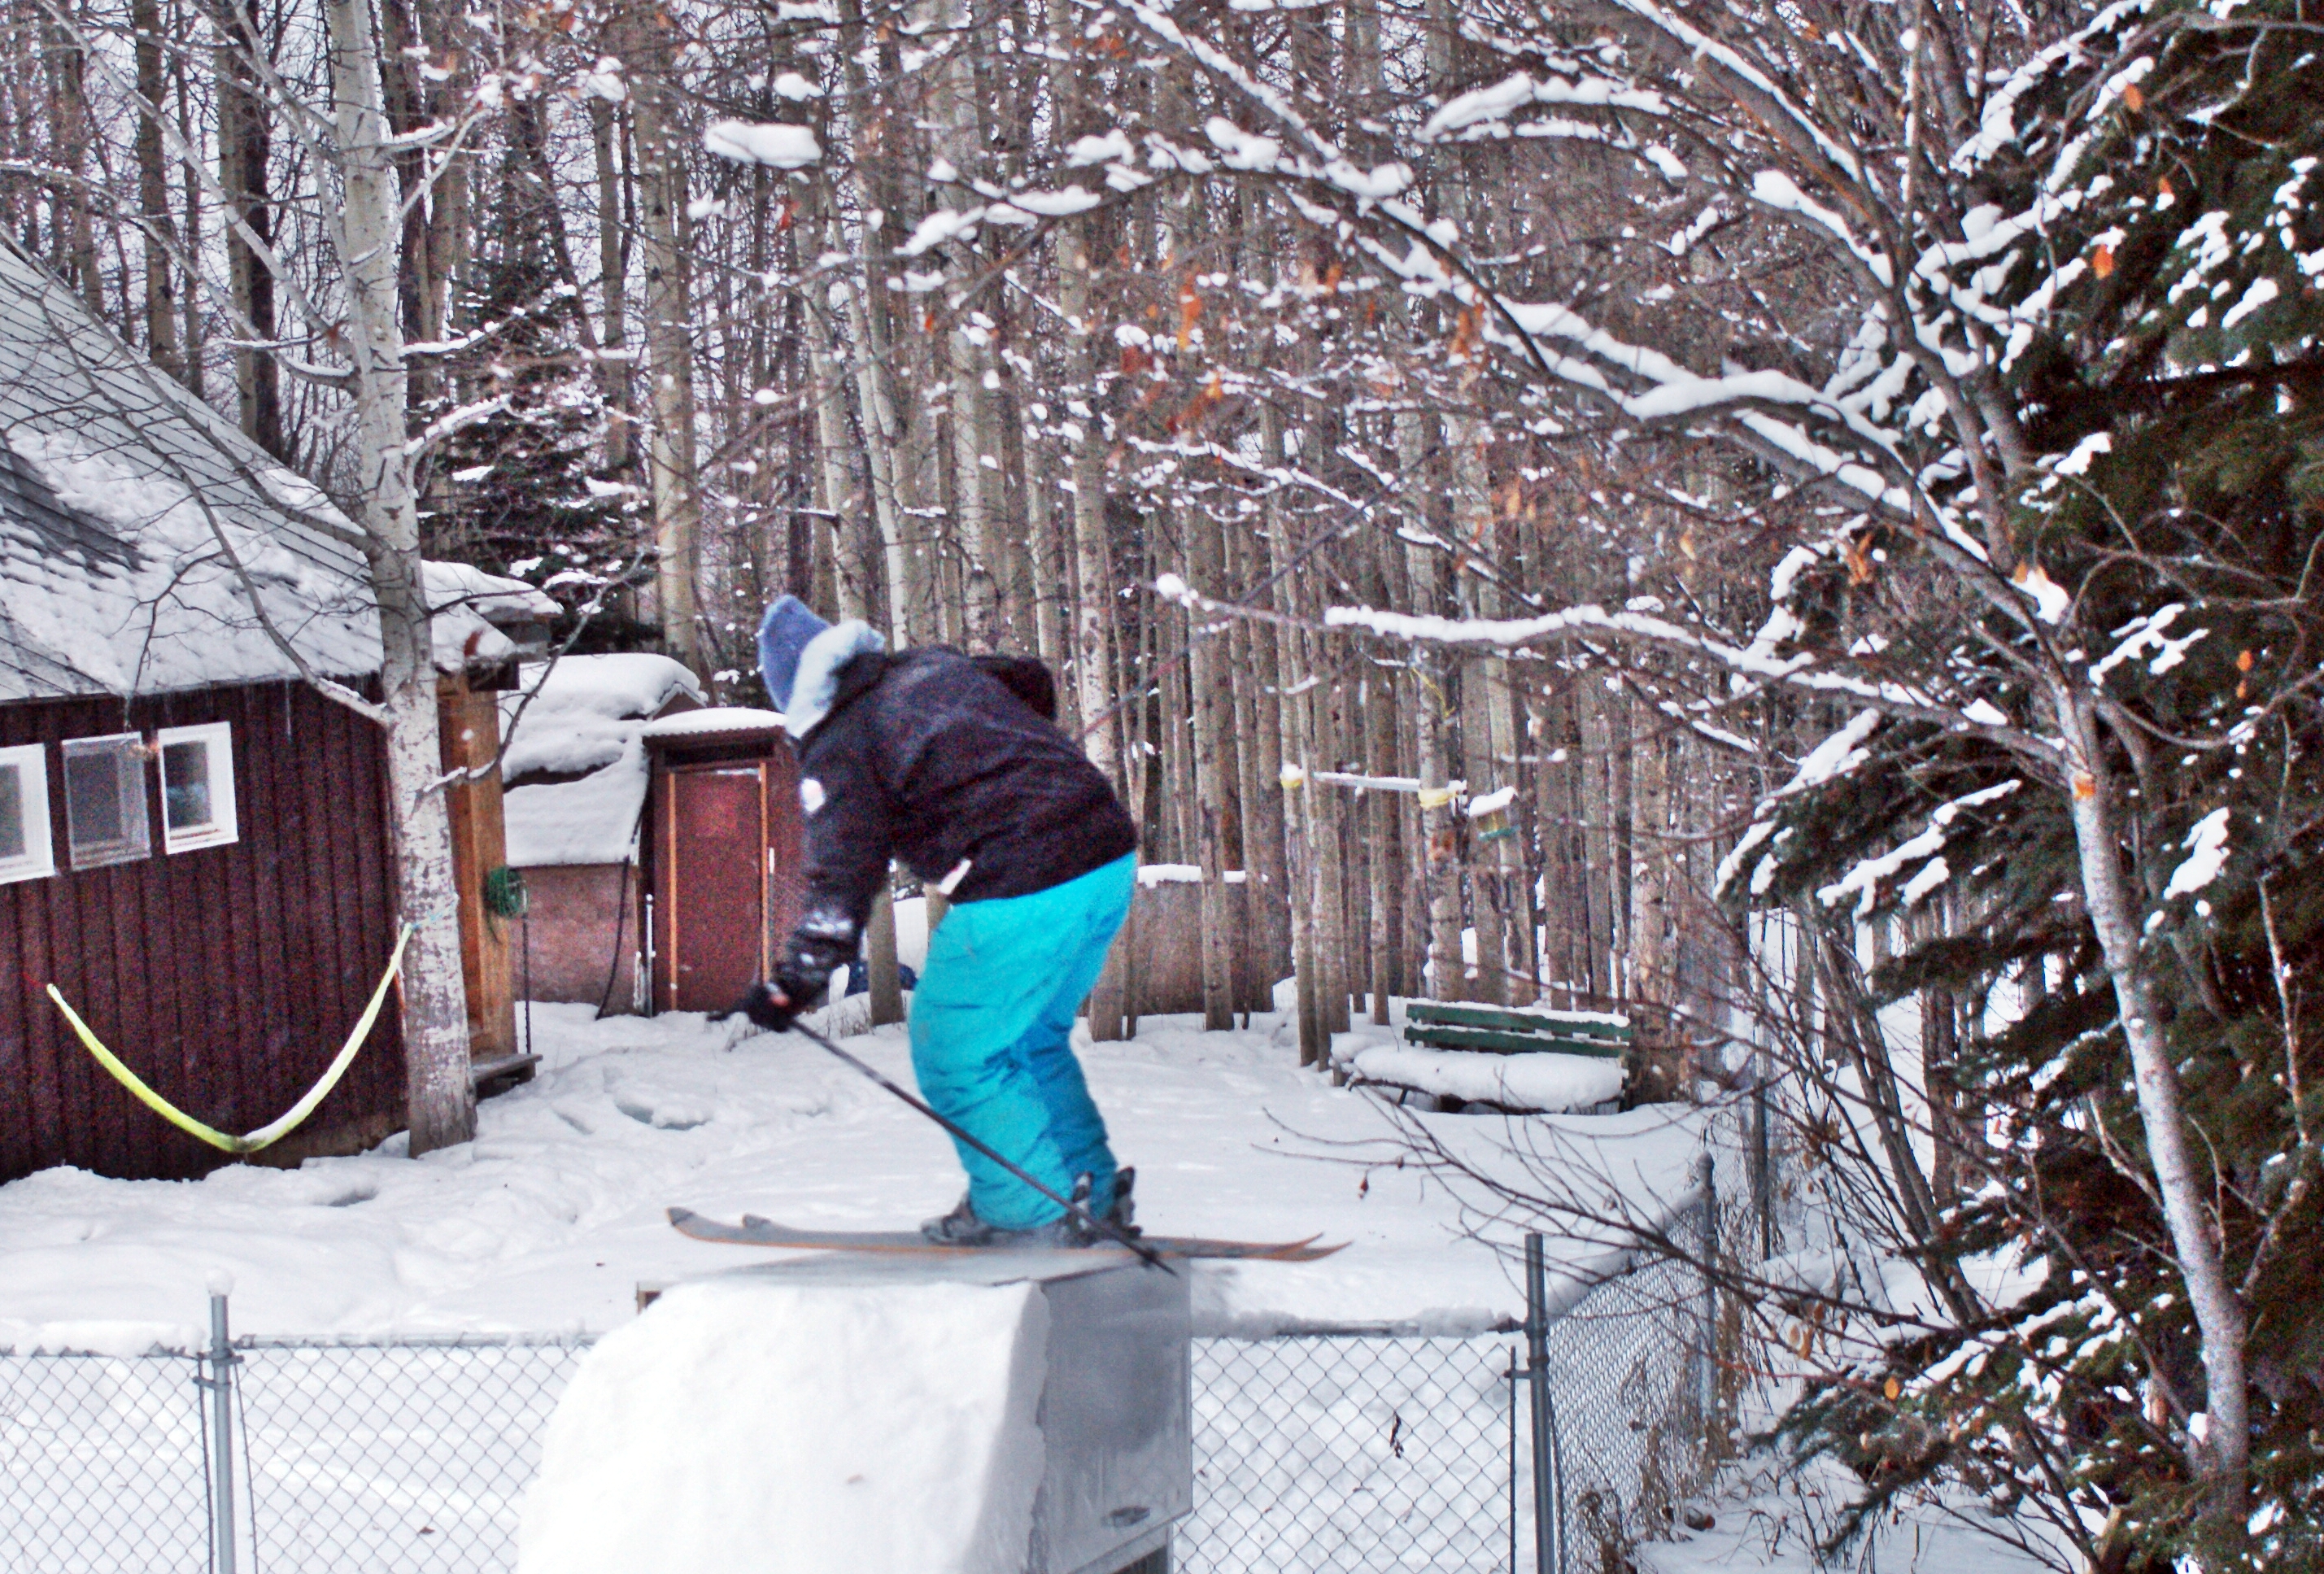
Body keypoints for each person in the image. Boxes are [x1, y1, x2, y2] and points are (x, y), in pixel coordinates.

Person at [730, 595, 1141, 1246]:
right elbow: (1027, 677)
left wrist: (795, 980)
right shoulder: (927, 668)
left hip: (1025, 880)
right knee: (1030, 1036)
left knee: (954, 1051)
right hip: (1105, 855)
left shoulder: (838, 742)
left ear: (793, 694)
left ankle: (1027, 1211)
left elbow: (842, 874)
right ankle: (1091, 1187)